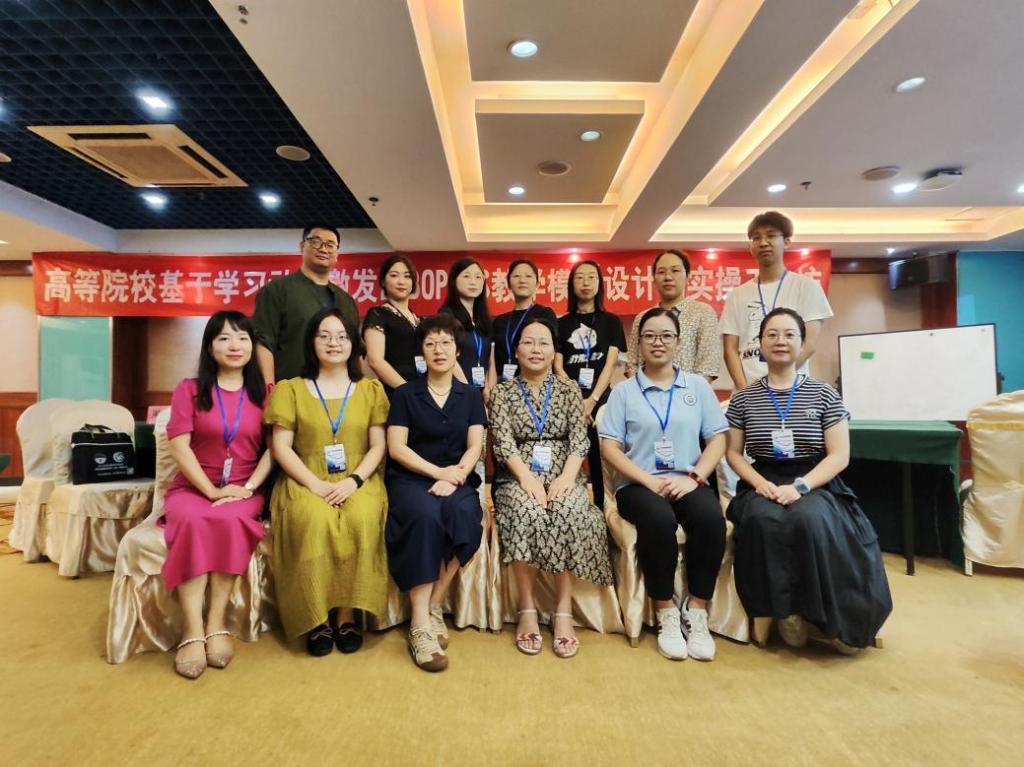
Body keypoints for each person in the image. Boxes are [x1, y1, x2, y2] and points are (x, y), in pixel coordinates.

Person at [725, 308, 892, 653]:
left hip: (814, 478)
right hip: (764, 477)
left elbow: (839, 455)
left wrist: (800, 487)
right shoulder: (744, 398)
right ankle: (785, 613)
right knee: (762, 520)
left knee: (810, 519)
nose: (780, 341)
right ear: (760, 344)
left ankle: (825, 616)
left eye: (789, 334)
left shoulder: (824, 394)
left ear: (802, 344)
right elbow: (734, 454)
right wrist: (759, 484)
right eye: (772, 334)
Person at [599, 308, 728, 661]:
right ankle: (666, 611)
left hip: (688, 480)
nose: (658, 342)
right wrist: (647, 481)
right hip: (638, 485)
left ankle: (696, 610)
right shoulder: (623, 392)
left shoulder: (697, 387)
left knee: (711, 520)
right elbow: (610, 447)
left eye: (666, 336)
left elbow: (717, 439)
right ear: (639, 344)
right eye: (650, 336)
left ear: (678, 342)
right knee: (658, 520)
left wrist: (695, 478)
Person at [264, 307, 389, 656]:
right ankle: (316, 616)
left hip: (359, 477)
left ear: (354, 344)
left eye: (342, 336)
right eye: (325, 335)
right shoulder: (291, 389)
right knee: (314, 520)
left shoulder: (370, 390)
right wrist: (314, 485)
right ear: (311, 342)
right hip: (304, 477)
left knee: (361, 518)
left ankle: (346, 614)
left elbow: (378, 445)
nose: (334, 343)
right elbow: (281, 447)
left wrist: (354, 481)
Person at [489, 316, 614, 659]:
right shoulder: (502, 392)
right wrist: (527, 478)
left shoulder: (569, 389)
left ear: (554, 350)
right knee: (526, 512)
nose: (536, 349)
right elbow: (503, 443)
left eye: (544, 343)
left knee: (568, 511)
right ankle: (527, 608)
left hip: (564, 472)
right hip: (517, 476)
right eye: (528, 342)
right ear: (516, 350)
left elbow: (579, 439)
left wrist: (567, 478)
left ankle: (563, 610)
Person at [162, 310, 272, 679]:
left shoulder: (265, 394)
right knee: (194, 520)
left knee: (229, 519)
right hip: (194, 488)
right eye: (224, 338)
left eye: (242, 337)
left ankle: (216, 621)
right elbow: (179, 445)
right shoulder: (190, 389)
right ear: (210, 348)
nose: (234, 345)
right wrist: (210, 490)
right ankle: (192, 629)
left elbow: (275, 449)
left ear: (252, 346)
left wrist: (249, 488)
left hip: (243, 488)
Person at [385, 314, 487, 672]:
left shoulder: (470, 395)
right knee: (424, 516)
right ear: (421, 353)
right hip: (411, 479)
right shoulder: (405, 394)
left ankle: (434, 604)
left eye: (445, 342)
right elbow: (397, 448)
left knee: (465, 516)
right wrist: (437, 472)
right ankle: (419, 624)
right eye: (430, 343)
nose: (438, 349)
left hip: (457, 477)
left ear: (457, 351)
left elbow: (475, 446)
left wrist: (456, 475)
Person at [720, 212, 833, 390]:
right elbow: (730, 350)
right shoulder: (737, 295)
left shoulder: (807, 287)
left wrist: (776, 382)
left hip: (793, 390)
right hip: (748, 392)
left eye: (771, 236)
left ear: (786, 241)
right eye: (756, 238)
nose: (763, 243)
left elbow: (809, 345)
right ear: (751, 247)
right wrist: (746, 392)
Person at [555, 259, 626, 509]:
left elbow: (610, 364)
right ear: (571, 284)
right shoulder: (561, 323)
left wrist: (592, 400)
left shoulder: (611, 321)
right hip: (568, 398)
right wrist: (578, 400)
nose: (586, 282)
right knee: (568, 456)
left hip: (602, 400)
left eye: (591, 277)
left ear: (599, 283)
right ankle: (568, 507)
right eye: (579, 277)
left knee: (601, 457)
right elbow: (557, 366)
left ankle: (604, 509)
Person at [252, 223, 358, 383]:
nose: (323, 249)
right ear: (302, 247)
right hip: (292, 388)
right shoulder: (277, 290)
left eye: (330, 245)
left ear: (337, 254)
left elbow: (356, 350)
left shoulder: (346, 300)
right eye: (316, 242)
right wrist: (269, 386)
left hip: (341, 389)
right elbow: (264, 342)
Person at [625, 249, 721, 382]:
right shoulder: (642, 318)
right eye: (661, 272)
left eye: (675, 270)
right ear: (654, 279)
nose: (668, 277)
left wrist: (687, 392)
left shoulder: (703, 313)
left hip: (690, 393)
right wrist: (641, 391)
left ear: (687, 276)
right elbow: (632, 364)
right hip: (645, 393)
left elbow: (708, 366)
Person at [488, 259, 557, 395]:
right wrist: (491, 390)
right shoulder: (500, 321)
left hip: (536, 386)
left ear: (537, 284)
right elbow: (493, 361)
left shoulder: (545, 314)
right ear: (509, 284)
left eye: (528, 276)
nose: (522, 280)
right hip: (504, 388)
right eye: (517, 276)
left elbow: (551, 353)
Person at [363, 254, 422, 398]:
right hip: (396, 392)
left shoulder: (419, 319)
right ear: (383, 281)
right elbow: (375, 361)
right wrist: (406, 391)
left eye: (407, 276)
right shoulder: (378, 314)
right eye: (394, 275)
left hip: (422, 390)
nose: (401, 281)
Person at [438, 257, 493, 394]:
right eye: (466, 276)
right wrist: (468, 391)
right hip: (455, 390)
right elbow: (447, 355)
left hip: (481, 392)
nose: (473, 282)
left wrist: (488, 387)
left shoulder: (484, 319)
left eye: (478, 277)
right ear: (454, 281)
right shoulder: (446, 315)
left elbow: (489, 359)